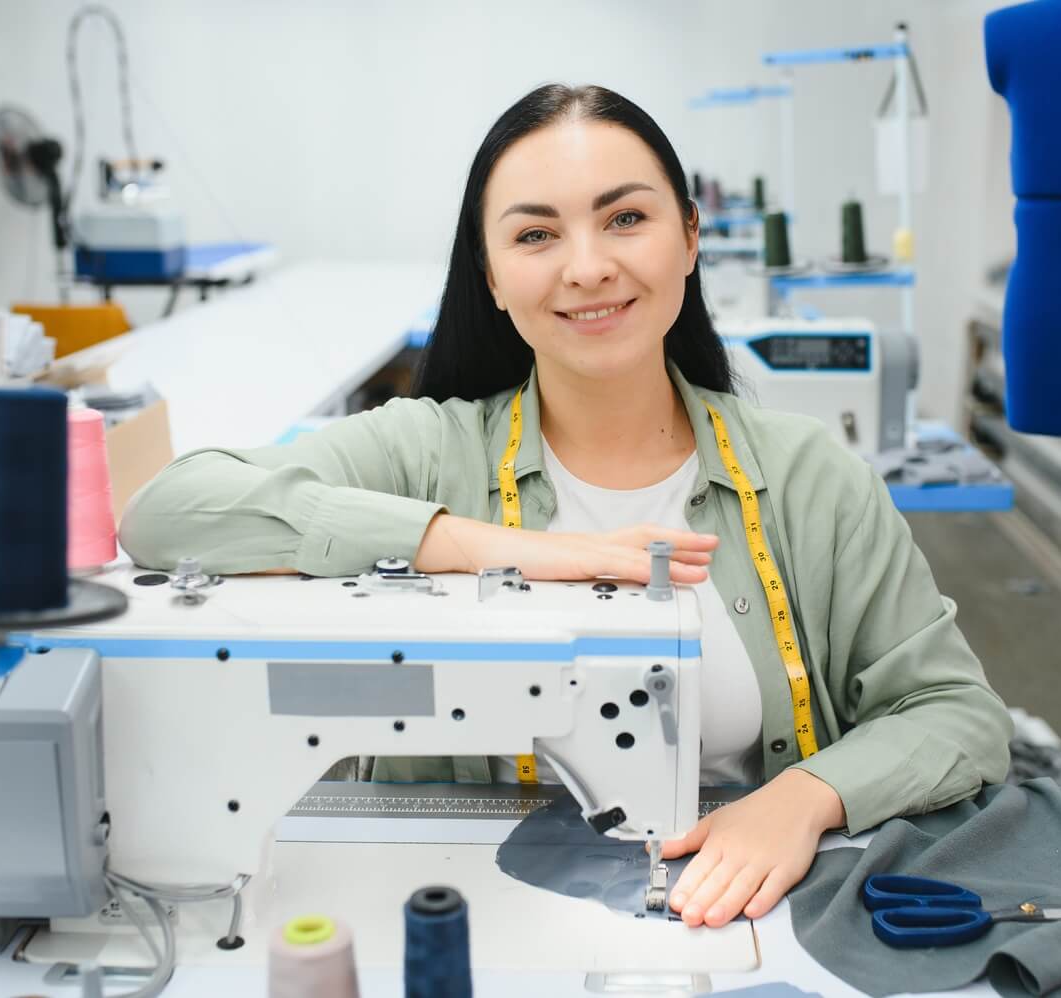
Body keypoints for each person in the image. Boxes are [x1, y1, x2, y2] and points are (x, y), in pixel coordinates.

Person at [120, 83, 1012, 928]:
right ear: (493, 275)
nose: (588, 268)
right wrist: (469, 546)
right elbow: (168, 511)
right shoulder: (426, 454)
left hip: (753, 905)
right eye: (536, 235)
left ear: (690, 238)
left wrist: (804, 798)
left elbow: (956, 714)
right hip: (469, 907)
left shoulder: (811, 479)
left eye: (626, 218)